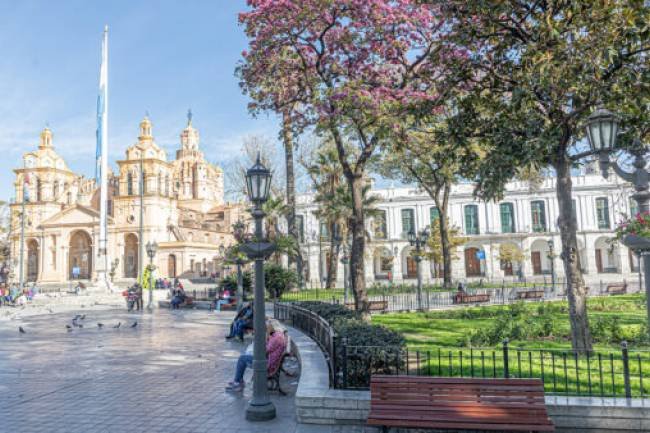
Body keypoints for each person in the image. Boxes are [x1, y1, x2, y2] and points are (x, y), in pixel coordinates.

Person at [226, 320, 287, 392]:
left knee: (242, 359)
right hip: (269, 361)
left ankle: (238, 382)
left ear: (272, 327)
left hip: (267, 365)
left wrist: (267, 335)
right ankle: (239, 381)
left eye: (267, 327)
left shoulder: (276, 338)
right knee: (245, 356)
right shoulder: (277, 335)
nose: (266, 328)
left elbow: (263, 351)